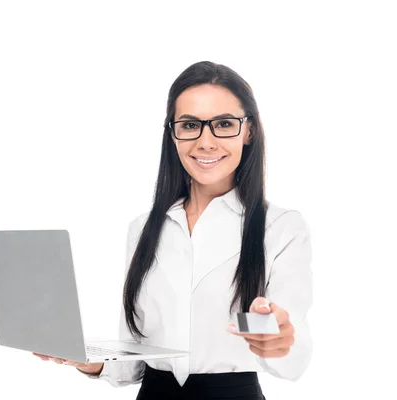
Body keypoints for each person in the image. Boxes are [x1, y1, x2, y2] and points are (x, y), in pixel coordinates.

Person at [34, 61, 313, 399]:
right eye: (190, 125)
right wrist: (89, 360)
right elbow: (135, 360)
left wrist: (278, 337)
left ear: (248, 131)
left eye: (224, 124)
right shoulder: (144, 228)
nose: (205, 142)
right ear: (173, 132)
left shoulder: (280, 228)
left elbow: (293, 357)